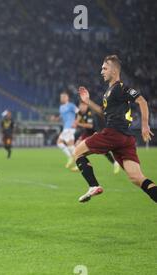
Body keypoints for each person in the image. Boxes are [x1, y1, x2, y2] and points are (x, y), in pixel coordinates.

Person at [75, 55, 156, 203]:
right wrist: (88, 101)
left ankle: (93, 185)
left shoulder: (121, 87)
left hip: (113, 133)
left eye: (104, 68)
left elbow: (142, 101)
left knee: (77, 152)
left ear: (114, 71)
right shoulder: (109, 91)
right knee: (137, 178)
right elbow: (101, 111)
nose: (101, 72)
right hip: (126, 139)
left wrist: (145, 125)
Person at [72, 102, 120, 174]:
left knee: (103, 151)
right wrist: (76, 122)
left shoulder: (90, 113)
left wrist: (78, 123)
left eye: (82, 106)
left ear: (86, 106)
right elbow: (77, 119)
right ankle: (80, 164)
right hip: (87, 133)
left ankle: (115, 163)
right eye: (80, 106)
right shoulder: (80, 112)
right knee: (77, 146)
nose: (80, 107)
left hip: (96, 131)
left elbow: (90, 126)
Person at [56, 91, 78, 169]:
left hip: (70, 128)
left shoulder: (71, 105)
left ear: (67, 98)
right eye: (61, 97)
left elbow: (79, 112)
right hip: (66, 128)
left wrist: (76, 121)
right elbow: (61, 116)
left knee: (70, 145)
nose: (62, 98)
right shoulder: (61, 107)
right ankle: (72, 158)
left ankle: (78, 161)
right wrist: (56, 119)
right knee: (60, 143)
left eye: (63, 97)